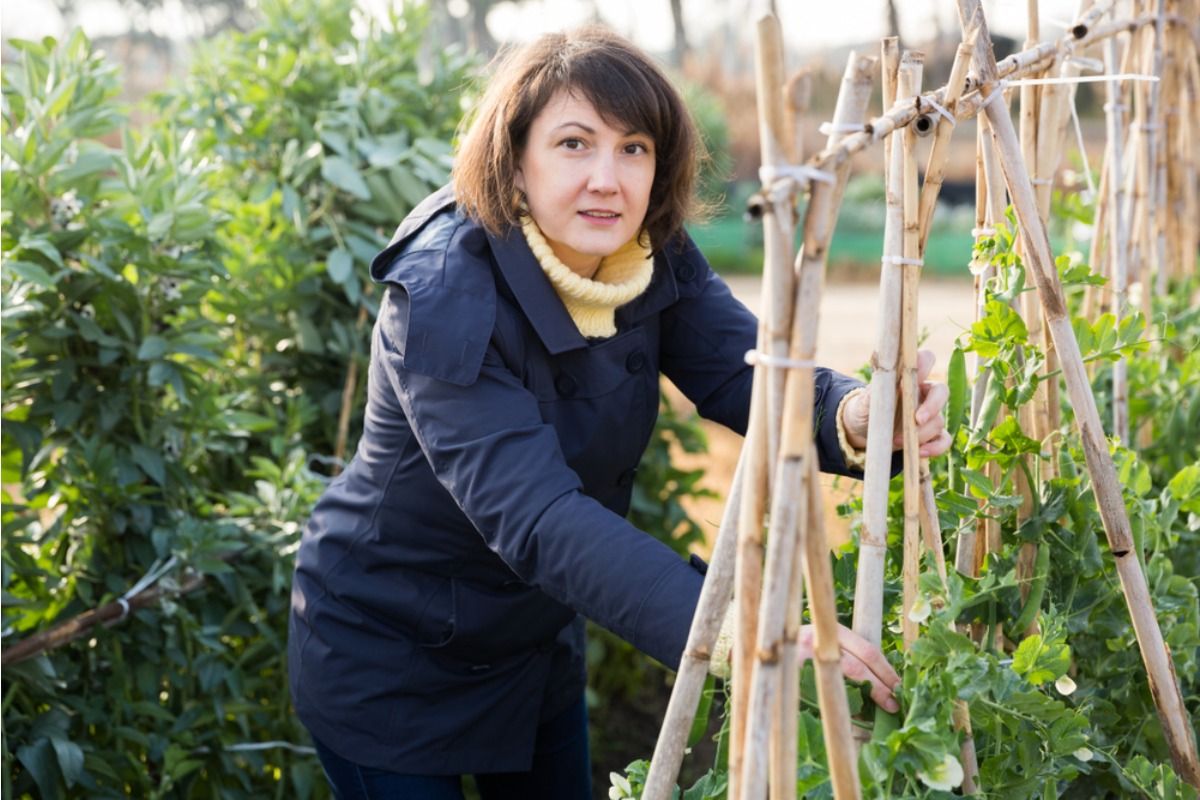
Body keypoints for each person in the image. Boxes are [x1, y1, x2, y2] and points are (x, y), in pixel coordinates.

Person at [288, 25, 952, 800]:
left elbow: (745, 370)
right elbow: (537, 517)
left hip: (530, 647)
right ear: (516, 158)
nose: (608, 178)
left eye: (634, 148)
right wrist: (744, 632)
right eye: (574, 144)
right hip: (390, 654)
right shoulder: (442, 293)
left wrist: (853, 412)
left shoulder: (648, 251)